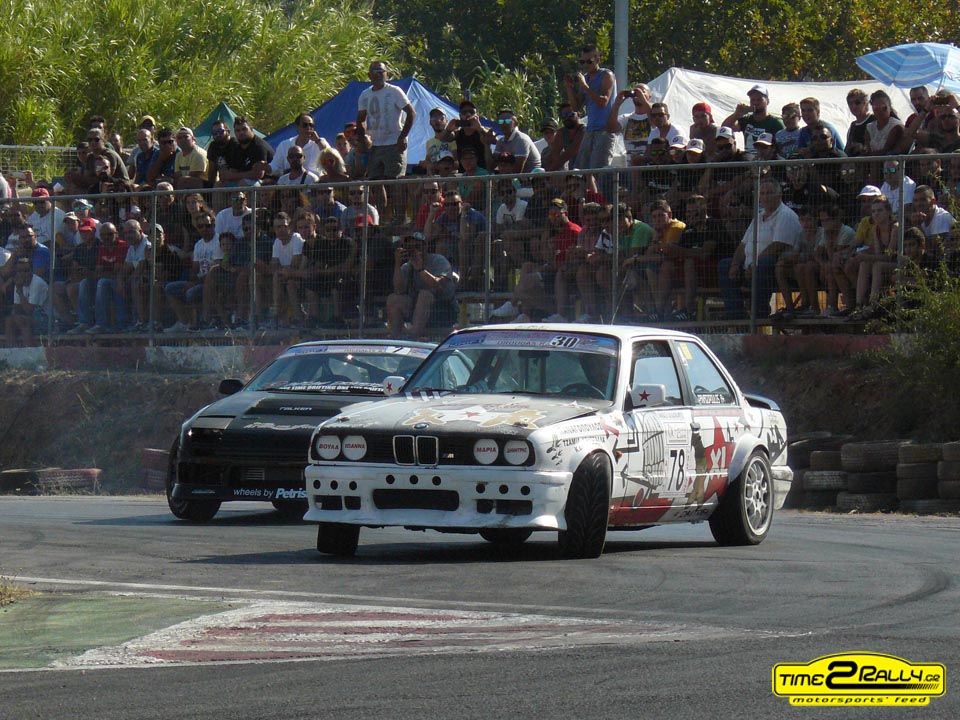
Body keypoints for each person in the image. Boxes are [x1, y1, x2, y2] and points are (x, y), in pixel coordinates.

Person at [719, 179, 801, 319]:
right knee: (725, 265)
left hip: (772, 270)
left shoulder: (786, 215)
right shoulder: (759, 216)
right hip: (750, 268)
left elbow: (777, 246)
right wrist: (735, 264)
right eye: (762, 193)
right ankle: (735, 314)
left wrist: (753, 265)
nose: (766, 197)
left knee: (765, 263)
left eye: (769, 193)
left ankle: (759, 313)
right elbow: (743, 244)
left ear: (779, 195)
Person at [356, 60, 416, 222]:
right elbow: (361, 119)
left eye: (381, 72)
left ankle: (400, 218)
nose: (378, 75)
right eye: (374, 72)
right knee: (375, 182)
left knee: (395, 182)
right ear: (369, 75)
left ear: (387, 74)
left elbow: (411, 113)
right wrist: (362, 137)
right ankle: (383, 217)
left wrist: (402, 137)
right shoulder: (365, 95)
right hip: (375, 144)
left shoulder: (394, 91)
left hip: (394, 143)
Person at [386, 233, 458, 339]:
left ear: (425, 247)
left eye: (417, 247)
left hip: (443, 310)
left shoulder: (439, 260)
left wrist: (420, 269)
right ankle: (396, 338)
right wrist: (397, 264)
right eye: (409, 247)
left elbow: (437, 285)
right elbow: (398, 290)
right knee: (393, 299)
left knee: (424, 295)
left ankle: (413, 338)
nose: (414, 251)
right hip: (418, 312)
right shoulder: (407, 266)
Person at [164, 210, 222, 332]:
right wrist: (191, 281)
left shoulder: (219, 241)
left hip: (214, 282)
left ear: (213, 225)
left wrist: (196, 283)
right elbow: (195, 268)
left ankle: (206, 320)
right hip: (199, 281)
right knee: (170, 288)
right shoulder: (198, 245)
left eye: (207, 225)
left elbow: (216, 269)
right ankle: (184, 322)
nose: (204, 229)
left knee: (191, 293)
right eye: (200, 226)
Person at [564, 44, 617, 169]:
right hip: (590, 130)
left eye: (589, 61)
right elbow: (576, 107)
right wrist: (569, 87)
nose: (585, 65)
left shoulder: (606, 75)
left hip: (605, 130)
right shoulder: (586, 79)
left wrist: (584, 85)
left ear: (597, 60)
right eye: (582, 62)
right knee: (581, 169)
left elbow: (603, 102)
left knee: (597, 169)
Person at [423, 190, 487, 289]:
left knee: (462, 243)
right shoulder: (444, 217)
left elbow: (465, 237)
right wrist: (432, 213)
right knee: (441, 244)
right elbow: (427, 237)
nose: (451, 208)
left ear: (461, 204)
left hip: (479, 250)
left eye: (454, 204)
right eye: (447, 205)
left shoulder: (472, 214)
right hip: (458, 252)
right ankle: (442, 280)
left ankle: (463, 280)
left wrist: (464, 214)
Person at [86, 222, 129, 333]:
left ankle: (117, 324)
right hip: (108, 279)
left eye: (109, 234)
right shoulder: (103, 248)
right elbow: (98, 271)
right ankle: (84, 322)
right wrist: (104, 273)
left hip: (123, 279)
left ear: (116, 234)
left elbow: (117, 271)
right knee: (84, 283)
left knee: (104, 283)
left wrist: (104, 273)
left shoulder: (123, 246)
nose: (106, 237)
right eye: (103, 235)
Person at [722, 84, 785, 156]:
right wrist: (736, 114)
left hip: (766, 160)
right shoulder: (747, 119)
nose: (755, 103)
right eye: (753, 100)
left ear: (767, 101)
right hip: (748, 160)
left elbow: (783, 145)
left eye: (759, 100)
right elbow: (725, 129)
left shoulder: (775, 122)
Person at [64, 218, 100, 333]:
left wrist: (88, 273)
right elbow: (74, 269)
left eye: (87, 231)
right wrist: (77, 274)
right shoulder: (79, 248)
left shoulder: (100, 246)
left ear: (94, 231)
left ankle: (86, 322)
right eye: (82, 232)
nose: (84, 234)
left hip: (96, 280)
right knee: (64, 287)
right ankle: (78, 321)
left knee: (84, 284)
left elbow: (100, 270)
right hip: (81, 279)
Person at [269, 213, 304, 327]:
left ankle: (293, 317)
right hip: (283, 277)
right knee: (277, 279)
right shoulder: (277, 242)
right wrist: (283, 270)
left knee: (287, 283)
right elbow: (274, 264)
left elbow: (295, 264)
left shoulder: (296, 239)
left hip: (299, 276)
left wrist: (283, 270)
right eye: (277, 227)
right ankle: (279, 317)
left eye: (283, 226)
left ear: (290, 226)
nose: (280, 230)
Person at [4, 258, 48, 346]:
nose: (23, 274)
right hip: (31, 317)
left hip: (46, 319)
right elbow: (17, 307)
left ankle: (28, 351)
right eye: (20, 271)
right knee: (9, 321)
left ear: (31, 271)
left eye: (26, 271)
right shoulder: (19, 283)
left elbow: (30, 310)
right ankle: (11, 351)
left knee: (22, 320)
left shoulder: (37, 283)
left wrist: (20, 291)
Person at [607, 84, 652, 167]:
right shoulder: (626, 118)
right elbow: (612, 128)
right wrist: (617, 104)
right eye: (635, 92)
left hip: (649, 164)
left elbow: (655, 123)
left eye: (643, 92)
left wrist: (644, 100)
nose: (638, 94)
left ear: (649, 97)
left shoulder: (654, 116)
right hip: (631, 165)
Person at [270, 113, 329, 178]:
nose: (308, 128)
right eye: (305, 125)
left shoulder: (320, 142)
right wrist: (265, 167)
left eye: (311, 125)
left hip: (314, 182)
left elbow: (331, 157)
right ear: (297, 127)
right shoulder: (284, 145)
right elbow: (274, 167)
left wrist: (317, 141)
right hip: (290, 181)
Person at [220, 116, 274, 186]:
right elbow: (233, 170)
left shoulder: (258, 146)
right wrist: (226, 175)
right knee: (219, 185)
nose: (241, 132)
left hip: (268, 183)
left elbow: (258, 175)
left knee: (243, 183)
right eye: (238, 130)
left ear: (251, 129)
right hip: (244, 180)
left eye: (244, 129)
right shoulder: (237, 148)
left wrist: (232, 176)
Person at [492, 108, 541, 173]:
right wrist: (486, 144)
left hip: (531, 177)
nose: (504, 124)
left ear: (515, 123)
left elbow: (517, 170)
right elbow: (491, 166)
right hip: (513, 177)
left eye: (508, 121)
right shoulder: (500, 141)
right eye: (501, 121)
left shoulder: (521, 140)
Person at [844, 88, 875, 157]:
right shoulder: (852, 126)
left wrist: (863, 148)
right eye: (850, 103)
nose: (853, 106)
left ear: (865, 103)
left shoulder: (874, 120)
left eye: (857, 102)